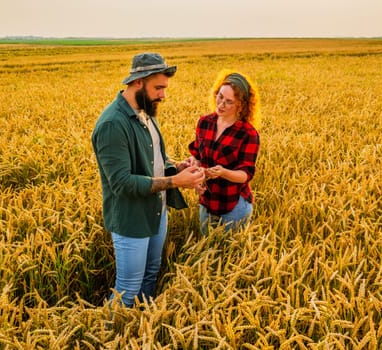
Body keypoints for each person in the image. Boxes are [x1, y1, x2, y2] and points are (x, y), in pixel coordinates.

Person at [91, 52, 205, 307]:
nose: (163, 95)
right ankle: (106, 335)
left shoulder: (145, 112)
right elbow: (121, 183)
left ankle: (139, 329)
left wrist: (176, 167)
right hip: (131, 220)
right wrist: (176, 182)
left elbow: (153, 159)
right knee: (128, 289)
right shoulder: (113, 124)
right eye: (159, 88)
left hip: (156, 212)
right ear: (138, 82)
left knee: (151, 275)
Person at [187, 69, 260, 235]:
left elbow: (245, 174)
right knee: (206, 250)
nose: (221, 104)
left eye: (229, 101)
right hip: (207, 200)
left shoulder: (248, 134)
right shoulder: (205, 122)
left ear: (241, 105)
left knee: (229, 255)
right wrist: (196, 174)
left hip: (234, 205)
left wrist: (223, 172)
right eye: (219, 96)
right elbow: (198, 155)